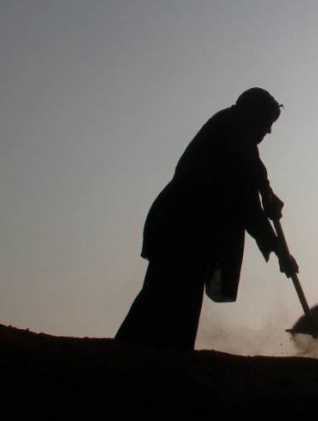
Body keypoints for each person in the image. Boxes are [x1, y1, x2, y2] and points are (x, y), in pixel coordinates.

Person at [116, 87, 298, 349]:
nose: (268, 131)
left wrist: (267, 193)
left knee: (170, 301)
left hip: (186, 229)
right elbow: (245, 203)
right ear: (253, 113)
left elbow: (254, 174)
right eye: (267, 122)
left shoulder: (234, 131)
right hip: (183, 229)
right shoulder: (233, 131)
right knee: (168, 300)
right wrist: (280, 251)